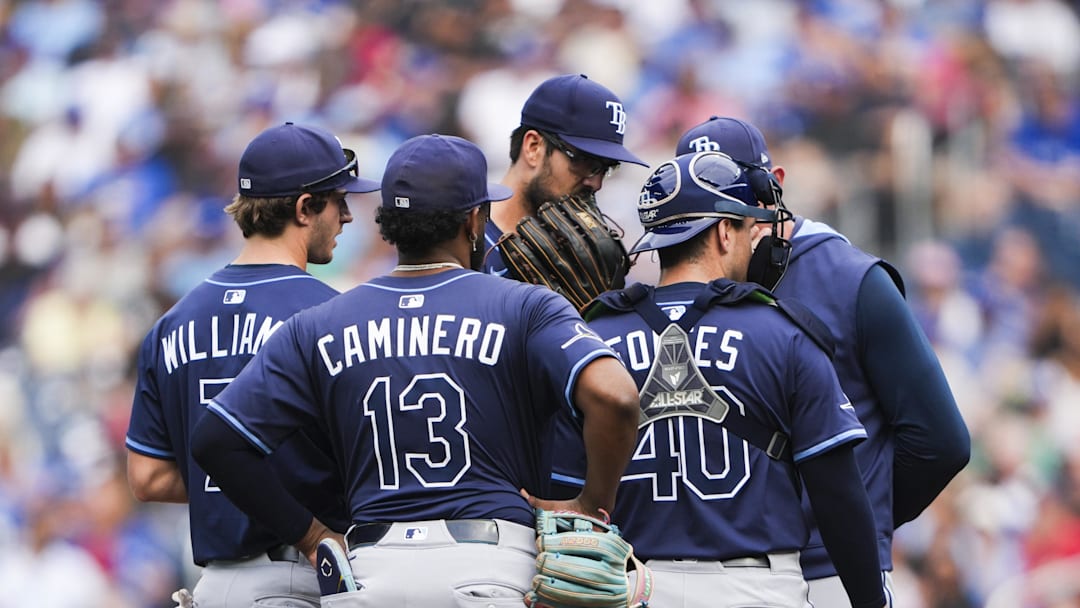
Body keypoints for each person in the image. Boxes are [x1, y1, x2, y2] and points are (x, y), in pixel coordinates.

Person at [189, 134, 641, 606]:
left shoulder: (318, 324)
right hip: (488, 564)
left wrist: (311, 536)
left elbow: (216, 440)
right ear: (474, 220)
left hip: (371, 572)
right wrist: (592, 504)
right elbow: (616, 396)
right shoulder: (524, 305)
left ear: (390, 226)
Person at [560, 150, 886, 608]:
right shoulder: (783, 331)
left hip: (633, 587)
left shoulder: (592, 339)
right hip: (754, 588)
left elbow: (563, 492)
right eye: (749, 227)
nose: (757, 241)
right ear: (723, 231)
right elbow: (839, 497)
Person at [676, 116, 971, 606]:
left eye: (735, 195)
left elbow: (941, 442)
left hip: (830, 573)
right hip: (720, 569)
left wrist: (853, 521)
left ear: (777, 186)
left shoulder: (852, 278)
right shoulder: (687, 284)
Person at [125, 121, 380, 608]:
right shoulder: (330, 314)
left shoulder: (170, 323)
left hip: (219, 585)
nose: (348, 216)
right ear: (305, 208)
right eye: (338, 200)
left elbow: (149, 478)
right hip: (304, 573)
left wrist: (233, 484)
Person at [483, 73, 649, 276]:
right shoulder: (463, 242)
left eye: (606, 168)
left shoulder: (583, 260)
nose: (596, 183)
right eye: (585, 162)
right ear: (533, 148)